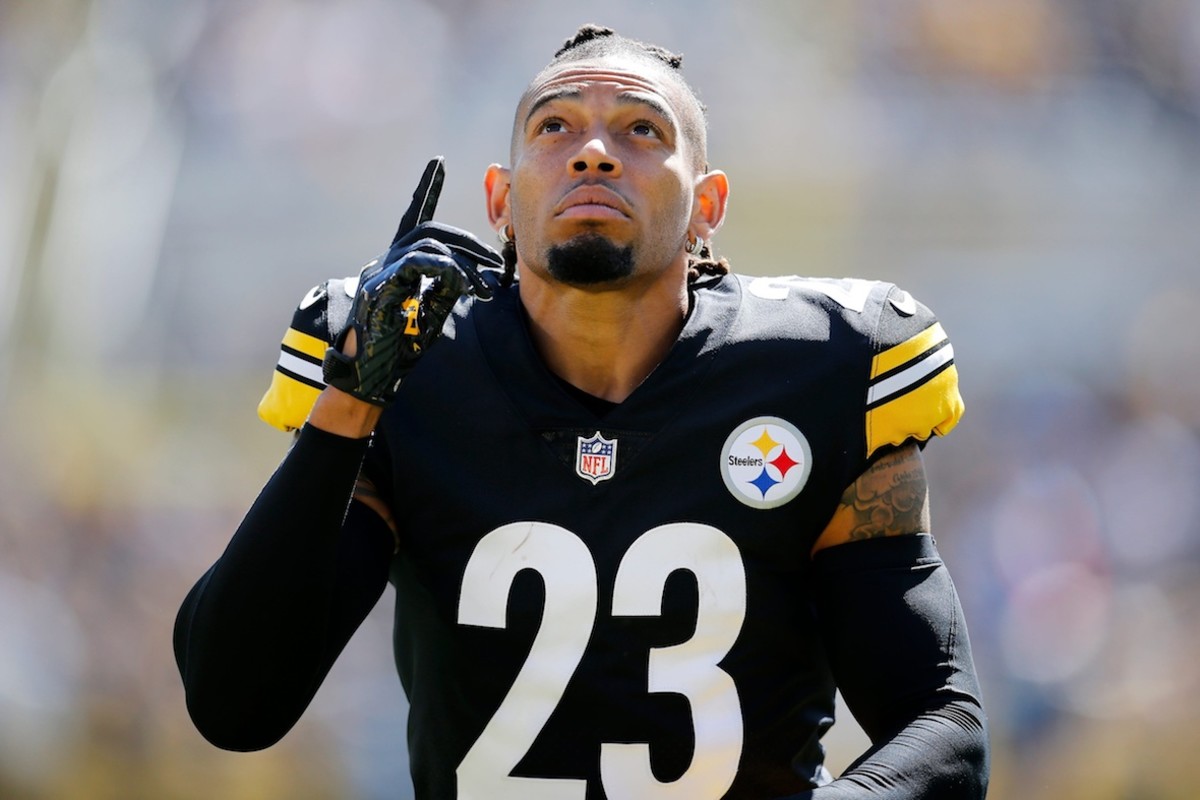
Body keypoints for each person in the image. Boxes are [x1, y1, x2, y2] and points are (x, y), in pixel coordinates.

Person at [174, 24, 989, 799]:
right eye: (556, 127)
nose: (594, 153)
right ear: (499, 199)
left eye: (641, 130)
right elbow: (236, 706)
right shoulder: (408, 370)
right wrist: (350, 402)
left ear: (709, 206)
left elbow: (942, 723)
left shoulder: (824, 368)